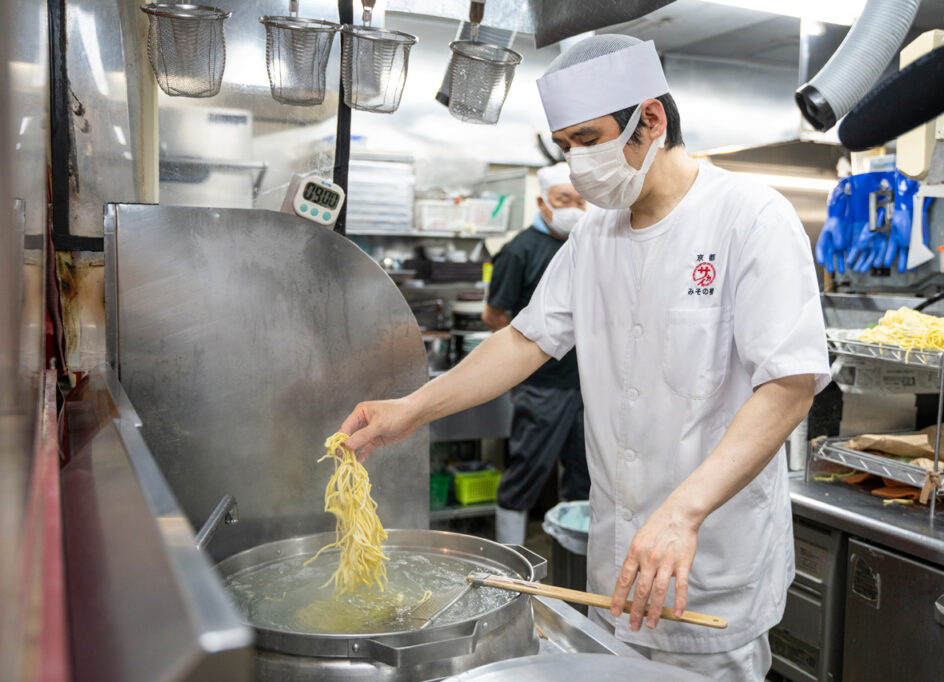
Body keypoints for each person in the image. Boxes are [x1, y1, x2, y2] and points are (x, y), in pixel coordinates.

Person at [340, 35, 829, 681]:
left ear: (649, 120)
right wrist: (412, 408)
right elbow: (525, 340)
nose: (578, 163)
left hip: (708, 556)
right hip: (619, 558)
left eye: (588, 138)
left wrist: (683, 512)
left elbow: (790, 384)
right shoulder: (597, 233)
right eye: (566, 146)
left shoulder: (749, 217)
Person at [482, 162, 590, 545]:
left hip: (588, 385)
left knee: (586, 474)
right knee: (527, 470)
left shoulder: (586, 246)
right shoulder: (519, 250)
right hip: (542, 385)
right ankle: (508, 559)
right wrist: (531, 353)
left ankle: (576, 563)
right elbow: (494, 314)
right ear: (544, 202)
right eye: (564, 200)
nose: (573, 208)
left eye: (581, 201)